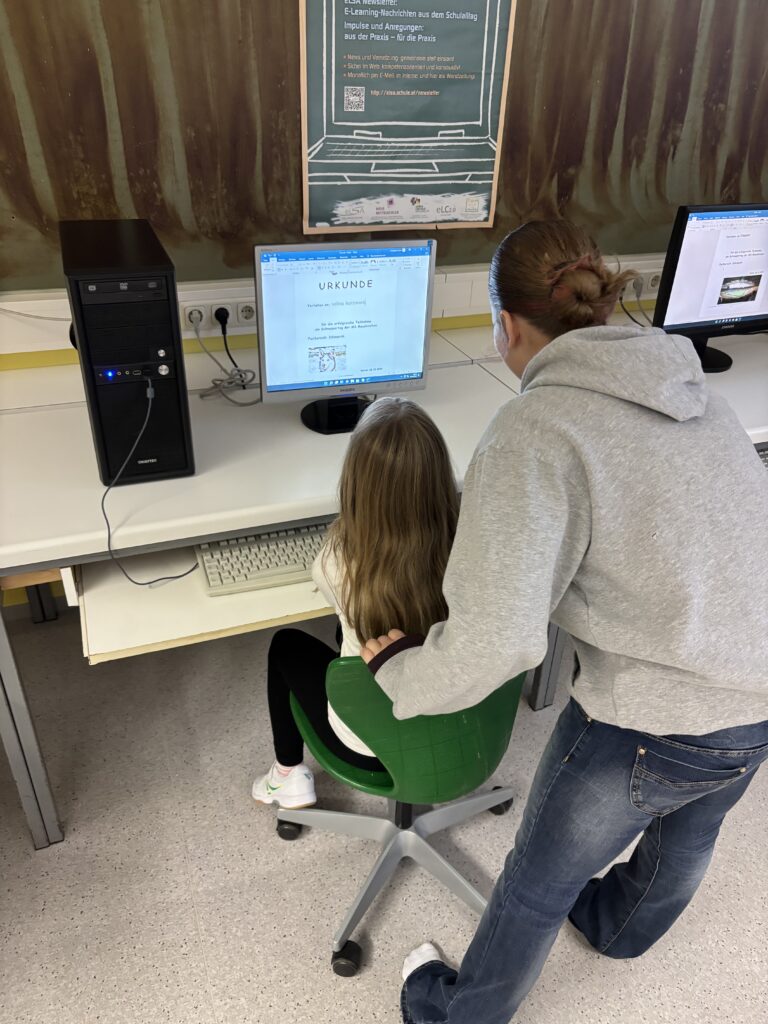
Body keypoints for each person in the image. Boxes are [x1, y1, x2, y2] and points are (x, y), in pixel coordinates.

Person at [361, 220, 768, 1024]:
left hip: (652, 721)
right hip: (758, 687)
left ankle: (460, 1014)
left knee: (536, 883)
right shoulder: (700, 395)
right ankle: (620, 929)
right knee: (689, 832)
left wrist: (401, 673)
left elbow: (499, 641)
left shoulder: (533, 432)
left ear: (506, 326)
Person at [252, 396, 459, 809]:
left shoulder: (333, 563)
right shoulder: (471, 546)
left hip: (368, 748)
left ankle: (286, 776)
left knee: (286, 645)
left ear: (355, 481)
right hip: (458, 729)